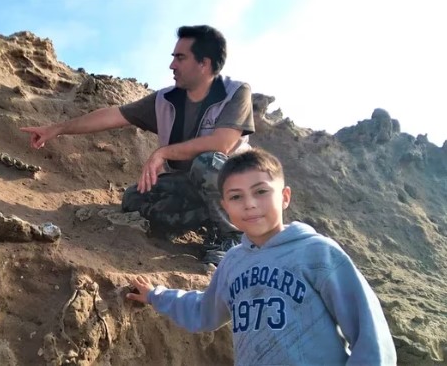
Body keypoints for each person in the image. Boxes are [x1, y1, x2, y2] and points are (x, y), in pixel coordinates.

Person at [126, 148, 397, 365]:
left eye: (261, 192)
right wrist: (154, 295)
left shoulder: (318, 254)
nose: (250, 204)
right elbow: (204, 311)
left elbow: (371, 340)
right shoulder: (233, 262)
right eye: (236, 197)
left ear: (285, 197)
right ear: (224, 207)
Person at [20, 25, 255, 265]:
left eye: (180, 58)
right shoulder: (166, 99)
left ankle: (233, 236)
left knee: (209, 162)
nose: (172, 65)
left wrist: (163, 152)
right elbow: (113, 115)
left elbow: (222, 143)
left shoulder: (235, 92)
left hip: (234, 185)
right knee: (135, 198)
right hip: (188, 185)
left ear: (204, 63)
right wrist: (57, 129)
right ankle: (206, 219)